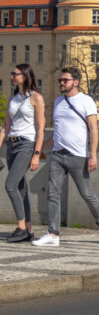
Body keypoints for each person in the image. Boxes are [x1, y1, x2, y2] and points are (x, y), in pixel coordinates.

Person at [32, 67, 99, 246]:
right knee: (53, 193)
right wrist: (40, 149)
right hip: (58, 156)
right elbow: (56, 133)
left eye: (65, 80)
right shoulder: (59, 102)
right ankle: (53, 234)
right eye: (60, 80)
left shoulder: (86, 101)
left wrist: (93, 155)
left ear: (76, 82)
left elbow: (93, 129)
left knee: (86, 193)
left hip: (78, 156)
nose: (61, 83)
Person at [1, 64, 45, 243]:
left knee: (10, 185)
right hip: (11, 144)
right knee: (21, 188)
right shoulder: (14, 98)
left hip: (26, 144)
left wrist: (36, 154)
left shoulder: (36, 97)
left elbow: (41, 128)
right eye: (11, 74)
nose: (12, 76)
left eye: (15, 74)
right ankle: (28, 229)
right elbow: (6, 126)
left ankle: (20, 227)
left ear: (25, 76)